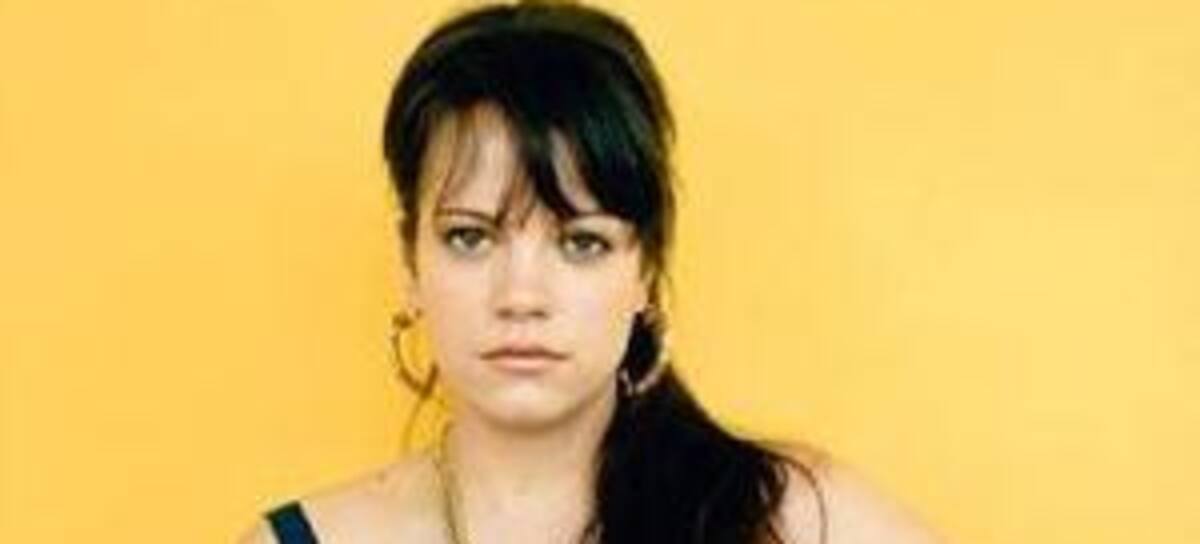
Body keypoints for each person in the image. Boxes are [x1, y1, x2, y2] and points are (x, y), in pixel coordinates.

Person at [240, 1, 943, 542]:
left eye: (581, 243)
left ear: (646, 270)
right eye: (470, 237)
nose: (521, 296)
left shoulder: (795, 518)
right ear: (409, 264)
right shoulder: (303, 538)